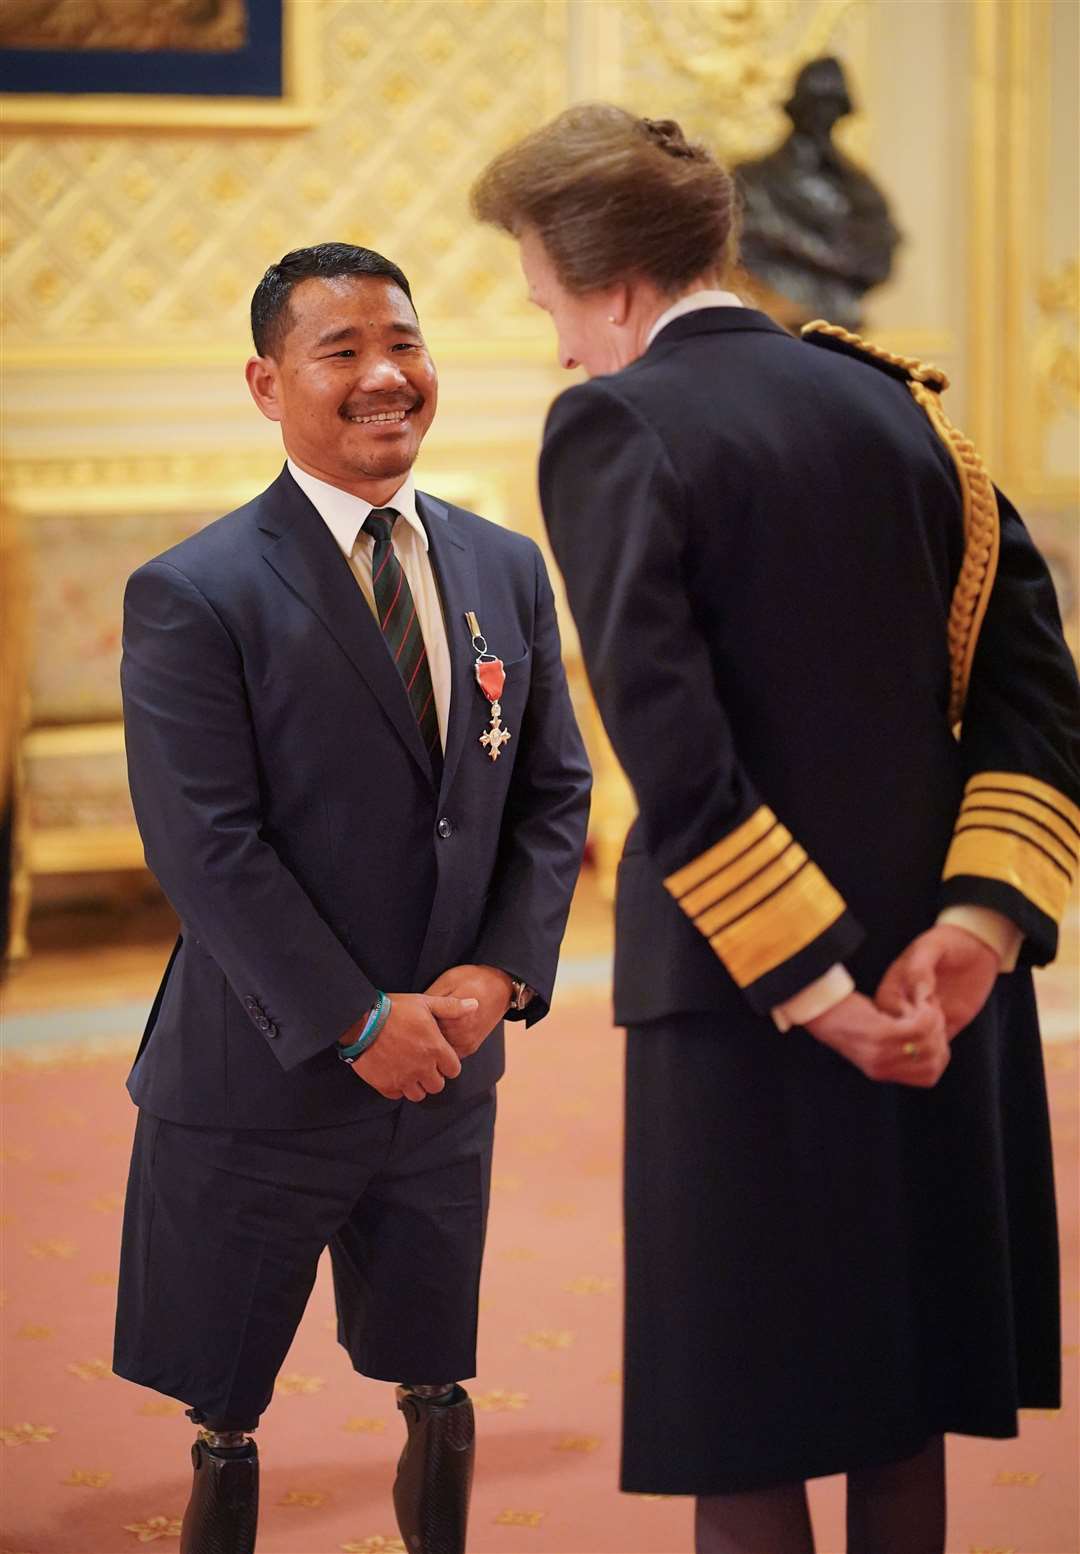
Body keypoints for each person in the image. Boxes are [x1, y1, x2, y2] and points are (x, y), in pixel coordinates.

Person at [472, 106, 1080, 1554]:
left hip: (749, 1002)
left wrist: (818, 990)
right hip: (944, 990)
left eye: (546, 301)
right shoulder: (902, 406)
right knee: (899, 1393)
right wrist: (977, 925)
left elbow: (674, 756)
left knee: (741, 1405)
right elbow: (1039, 693)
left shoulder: (614, 422)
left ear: (603, 279)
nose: (556, 340)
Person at [113, 242, 591, 1554]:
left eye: (405, 343)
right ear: (268, 383)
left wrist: (502, 970)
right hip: (261, 1080)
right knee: (227, 1404)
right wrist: (354, 1019)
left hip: (447, 1071)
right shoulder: (196, 592)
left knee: (436, 1375)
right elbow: (208, 847)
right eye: (343, 352)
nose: (387, 376)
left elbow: (553, 790)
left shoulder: (503, 566)